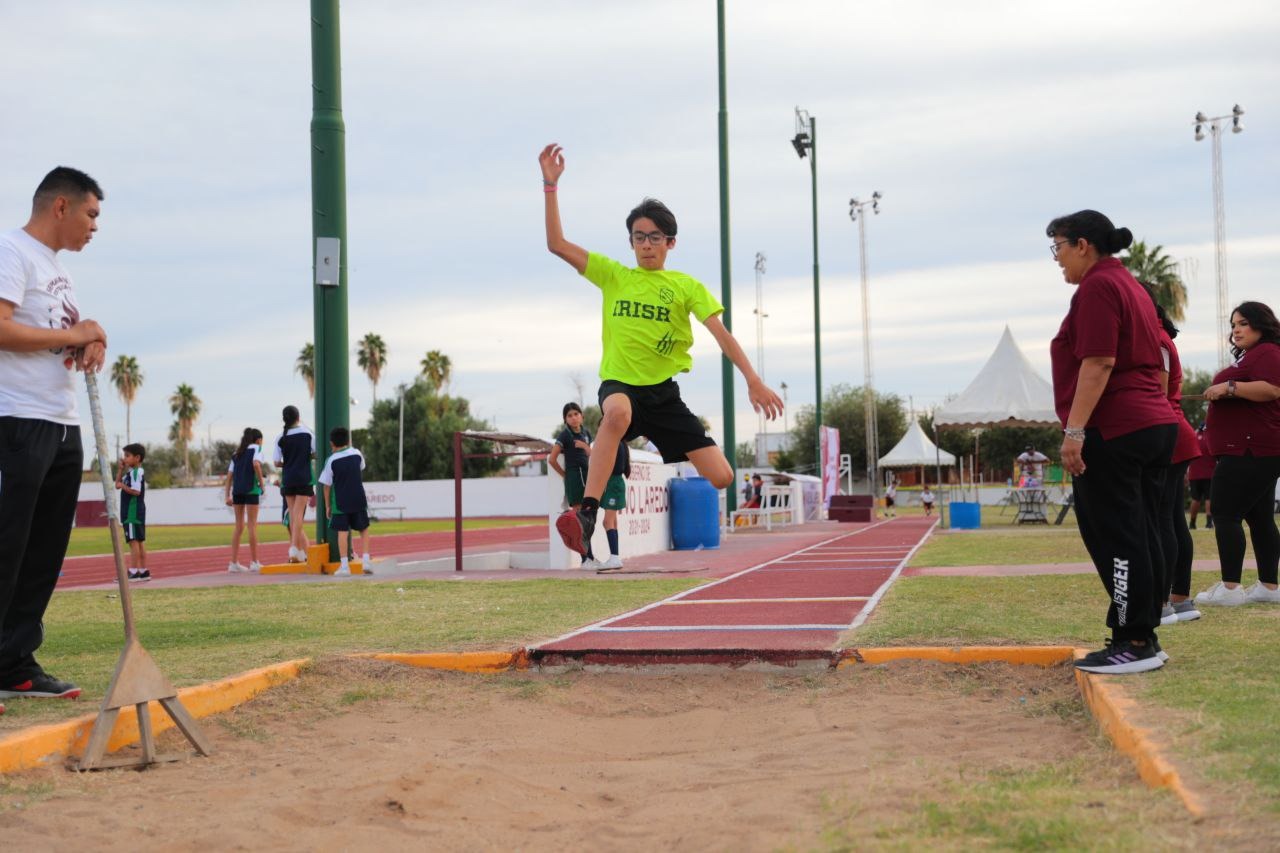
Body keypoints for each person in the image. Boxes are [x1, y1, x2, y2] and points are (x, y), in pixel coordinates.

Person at [538, 143, 783, 555]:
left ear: (671, 242)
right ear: (631, 241)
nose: (646, 245)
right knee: (617, 414)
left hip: (664, 396)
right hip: (621, 385)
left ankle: (640, 453)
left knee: (722, 476)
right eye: (639, 237)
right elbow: (557, 243)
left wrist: (753, 380)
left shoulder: (685, 286)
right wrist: (550, 186)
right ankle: (587, 514)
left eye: (655, 237)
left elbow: (721, 335)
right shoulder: (613, 275)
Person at [1047, 210, 1178, 674]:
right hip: (1153, 423)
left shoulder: (1098, 286)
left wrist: (1074, 431)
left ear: (1082, 245)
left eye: (1058, 247)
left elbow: (1099, 361)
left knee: (1116, 534)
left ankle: (1133, 640)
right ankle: (1145, 634)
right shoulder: (1131, 285)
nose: (1057, 259)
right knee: (1143, 530)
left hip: (1118, 427)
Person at [0, 166, 108, 704]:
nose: (95, 226)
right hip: (18, 420)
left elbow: (60, 333)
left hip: (62, 422)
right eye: (91, 213)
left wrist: (89, 340)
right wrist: (73, 333)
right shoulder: (12, 251)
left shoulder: (56, 269)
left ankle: (15, 664)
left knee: (43, 552)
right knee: (8, 545)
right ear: (61, 206)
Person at [1194, 301, 1280, 606]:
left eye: (1243, 323)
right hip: (1254, 448)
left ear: (1261, 324)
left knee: (1225, 514)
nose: (1236, 330)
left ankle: (1230, 589)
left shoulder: (1268, 352)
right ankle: (1269, 586)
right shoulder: (1255, 354)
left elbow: (1272, 389)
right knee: (1259, 517)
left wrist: (1230, 387)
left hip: (1249, 448)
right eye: (1233, 325)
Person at [1146, 297, 1201, 624]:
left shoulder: (1155, 338)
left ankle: (1164, 601)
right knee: (1173, 519)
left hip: (1168, 433)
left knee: (1163, 518)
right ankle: (1180, 600)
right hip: (1174, 432)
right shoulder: (1158, 336)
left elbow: (1159, 391)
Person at [547, 401, 599, 568]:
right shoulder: (565, 436)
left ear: (582, 416)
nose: (574, 418)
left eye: (576, 414)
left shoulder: (586, 433)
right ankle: (585, 560)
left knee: (590, 519)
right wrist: (566, 475)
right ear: (565, 419)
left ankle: (590, 557)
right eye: (569, 416)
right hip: (575, 479)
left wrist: (586, 448)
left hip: (588, 477)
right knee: (580, 521)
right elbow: (552, 459)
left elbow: (591, 454)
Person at [318, 427, 371, 577]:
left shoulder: (331, 460)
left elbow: (326, 486)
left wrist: (327, 505)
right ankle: (366, 562)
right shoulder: (357, 453)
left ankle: (344, 567)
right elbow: (361, 468)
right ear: (348, 440)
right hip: (359, 498)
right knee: (364, 529)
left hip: (340, 502)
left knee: (342, 533)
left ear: (331, 443)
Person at [274, 405, 316, 563]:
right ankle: (293, 548)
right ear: (298, 417)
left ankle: (298, 551)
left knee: (293, 514)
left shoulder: (280, 437)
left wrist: (289, 463)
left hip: (288, 479)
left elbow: (276, 462)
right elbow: (316, 453)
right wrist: (305, 457)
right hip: (304, 477)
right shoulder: (307, 433)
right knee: (298, 515)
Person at [225, 428, 267, 573]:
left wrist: (227, 496)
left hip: (237, 491)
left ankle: (233, 563)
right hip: (251, 490)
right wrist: (261, 484)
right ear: (258, 440)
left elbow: (229, 476)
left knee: (238, 526)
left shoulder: (236, 453)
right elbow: (256, 464)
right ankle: (254, 562)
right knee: (252, 525)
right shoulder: (257, 448)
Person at [115, 443, 149, 582]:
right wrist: (120, 470)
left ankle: (134, 571)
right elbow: (117, 485)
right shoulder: (131, 473)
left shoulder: (136, 473)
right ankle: (143, 571)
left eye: (127, 456)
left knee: (133, 542)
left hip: (132, 512)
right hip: (135, 512)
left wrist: (123, 486)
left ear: (137, 458)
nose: (125, 458)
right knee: (139, 541)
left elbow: (136, 491)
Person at [596, 440, 630, 572]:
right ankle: (615, 557)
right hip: (613, 482)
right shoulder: (618, 443)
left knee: (607, 522)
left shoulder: (615, 443)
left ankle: (614, 557)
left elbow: (612, 466)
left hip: (614, 483)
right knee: (613, 522)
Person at [1186, 425, 1214, 530]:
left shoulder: (1193, 436)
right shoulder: (1210, 436)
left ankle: (1192, 523)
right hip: (1209, 473)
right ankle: (1209, 523)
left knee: (1195, 499)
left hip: (1194, 474)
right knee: (1209, 498)